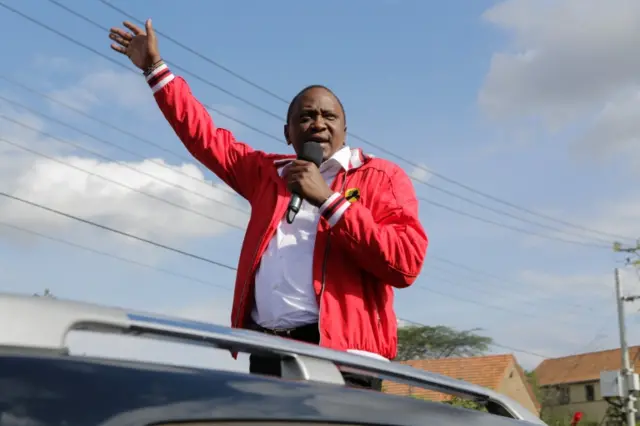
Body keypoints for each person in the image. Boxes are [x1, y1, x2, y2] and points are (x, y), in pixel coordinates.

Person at [108, 19, 428, 391]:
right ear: (288, 132)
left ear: (344, 129)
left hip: (346, 358)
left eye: (329, 116)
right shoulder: (267, 174)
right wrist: (154, 70)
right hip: (269, 350)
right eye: (306, 117)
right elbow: (204, 137)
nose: (318, 124)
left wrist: (329, 201)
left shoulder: (379, 177)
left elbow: (405, 263)